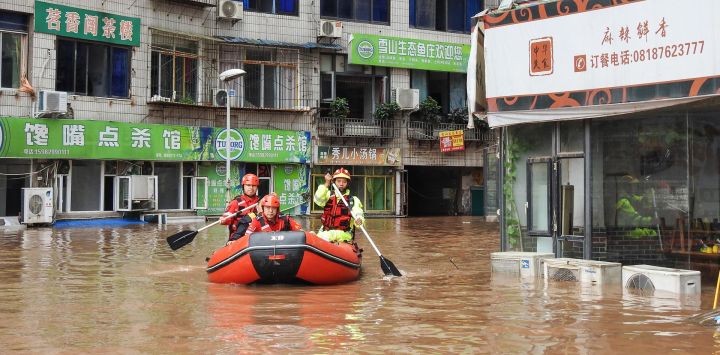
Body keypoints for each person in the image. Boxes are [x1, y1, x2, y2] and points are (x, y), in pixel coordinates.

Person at [313, 167, 364, 243]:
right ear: (334, 182)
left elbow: (358, 212)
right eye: (338, 181)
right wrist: (326, 183)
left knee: (327, 236)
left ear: (347, 183)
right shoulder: (328, 195)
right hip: (325, 231)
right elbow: (317, 200)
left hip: (343, 234)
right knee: (316, 236)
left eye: (344, 182)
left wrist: (359, 219)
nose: (341, 184)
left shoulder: (353, 200)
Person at [220, 173, 260, 241]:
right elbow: (227, 218)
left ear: (257, 187)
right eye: (248, 185)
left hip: (256, 239)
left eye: (254, 186)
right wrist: (224, 220)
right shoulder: (235, 203)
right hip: (238, 238)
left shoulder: (261, 202)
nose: (251, 188)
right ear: (243, 186)